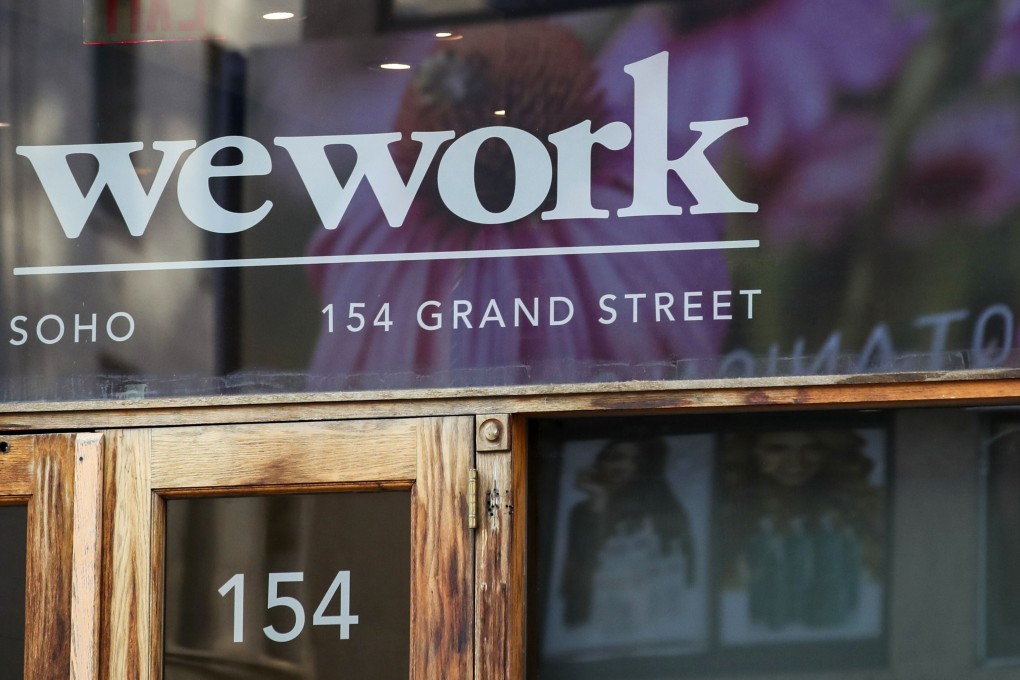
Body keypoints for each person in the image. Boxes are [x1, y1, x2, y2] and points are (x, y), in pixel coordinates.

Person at [560, 437, 696, 627]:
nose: (623, 467)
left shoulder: (661, 512)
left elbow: (683, 576)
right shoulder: (584, 511)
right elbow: (579, 574)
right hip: (594, 623)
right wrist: (598, 501)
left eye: (635, 461)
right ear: (600, 463)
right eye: (616, 458)